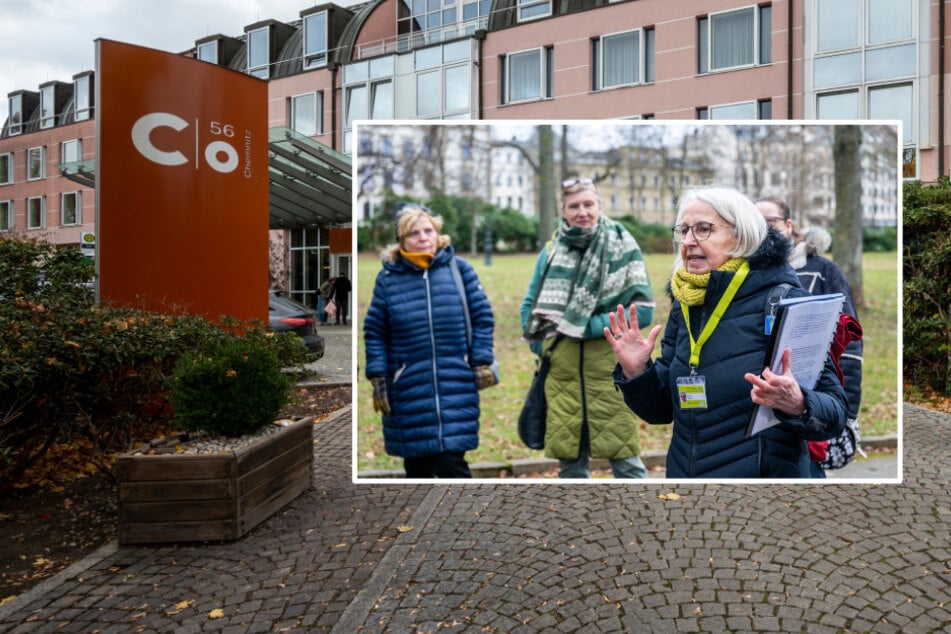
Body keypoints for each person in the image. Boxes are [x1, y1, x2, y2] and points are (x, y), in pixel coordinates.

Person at [605, 186, 847, 478]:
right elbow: (662, 411)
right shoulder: (687, 300)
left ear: (741, 236)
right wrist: (637, 373)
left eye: (703, 229)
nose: (689, 241)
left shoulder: (783, 300)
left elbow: (834, 415)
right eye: (683, 231)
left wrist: (797, 403)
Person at [520, 177, 655, 479]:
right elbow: (529, 306)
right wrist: (539, 345)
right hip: (562, 375)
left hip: (609, 373)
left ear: (599, 206)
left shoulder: (623, 245)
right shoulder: (552, 250)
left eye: (588, 204)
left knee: (627, 463)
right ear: (563, 211)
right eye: (574, 206)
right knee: (570, 467)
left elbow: (643, 312)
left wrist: (583, 326)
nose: (582, 211)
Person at [364, 204, 497, 478]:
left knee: (452, 463)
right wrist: (378, 376)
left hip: (456, 381)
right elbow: (375, 330)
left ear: (438, 234)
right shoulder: (388, 278)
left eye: (429, 230)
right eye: (414, 233)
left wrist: (479, 360)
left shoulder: (459, 270)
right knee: (417, 468)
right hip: (407, 386)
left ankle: (464, 520)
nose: (424, 237)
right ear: (402, 240)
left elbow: (483, 317)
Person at [755, 196, 864, 477]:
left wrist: (847, 410)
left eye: (770, 221)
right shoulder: (746, 274)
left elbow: (848, 344)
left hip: (810, 404)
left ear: (789, 226)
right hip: (763, 413)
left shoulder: (822, 270)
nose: (763, 229)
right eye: (755, 222)